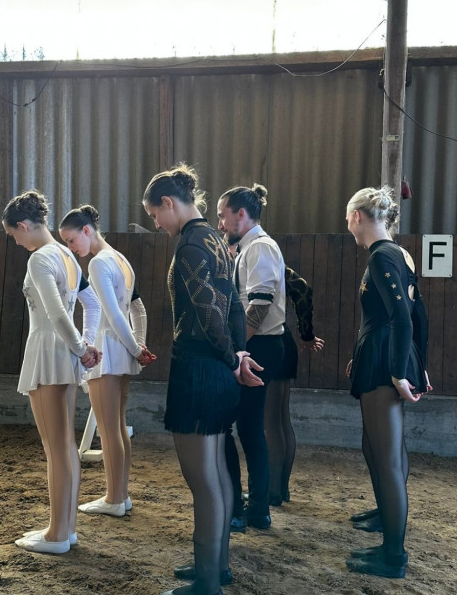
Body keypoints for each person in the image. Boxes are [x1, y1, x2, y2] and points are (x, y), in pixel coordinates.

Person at [143, 164, 263, 595]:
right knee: (216, 474)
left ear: (169, 203)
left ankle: (207, 582)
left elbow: (210, 311)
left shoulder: (192, 244)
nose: (157, 224)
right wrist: (238, 354)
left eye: (155, 215)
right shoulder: (216, 239)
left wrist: (232, 357)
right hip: (216, 368)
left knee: (203, 480)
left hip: (199, 368)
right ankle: (215, 566)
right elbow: (233, 308)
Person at [2, 190, 102, 555]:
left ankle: (57, 534)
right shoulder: (67, 255)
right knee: (66, 446)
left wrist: (82, 347)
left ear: (23, 225)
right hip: (66, 353)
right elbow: (91, 304)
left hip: (49, 351)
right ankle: (65, 529)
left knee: (55, 448)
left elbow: (57, 313)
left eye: (14, 235)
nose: (16, 242)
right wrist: (85, 343)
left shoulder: (41, 257)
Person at [343, 186, 431, 578]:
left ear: (357, 217)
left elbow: (402, 317)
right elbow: (418, 314)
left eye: (348, 220)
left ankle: (393, 556)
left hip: (384, 358)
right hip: (382, 352)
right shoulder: (399, 253)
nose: (349, 228)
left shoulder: (381, 256)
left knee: (387, 457)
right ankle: (388, 535)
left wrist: (399, 370)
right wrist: (418, 364)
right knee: (379, 448)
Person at [59, 205, 156, 518]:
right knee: (117, 426)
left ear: (87, 230)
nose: (70, 248)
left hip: (107, 351)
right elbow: (138, 308)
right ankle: (120, 495)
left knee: (108, 428)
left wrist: (136, 348)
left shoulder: (99, 263)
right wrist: (138, 344)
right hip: (122, 351)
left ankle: (114, 498)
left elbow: (114, 315)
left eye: (71, 240)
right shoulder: (120, 259)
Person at [217, 185, 286, 531]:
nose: (220, 223)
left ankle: (245, 507)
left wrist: (234, 350)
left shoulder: (259, 247)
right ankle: (255, 507)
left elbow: (259, 306)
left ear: (241, 214)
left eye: (222, 215)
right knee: (247, 426)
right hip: (257, 344)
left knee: (239, 425)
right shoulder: (249, 248)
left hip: (258, 345)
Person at [265, 267, 324, 506]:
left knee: (271, 422)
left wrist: (307, 333)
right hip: (284, 340)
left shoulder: (258, 258)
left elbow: (303, 288)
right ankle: (281, 488)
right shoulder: (276, 262)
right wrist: (306, 333)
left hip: (270, 341)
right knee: (280, 419)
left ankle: (273, 491)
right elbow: (303, 287)